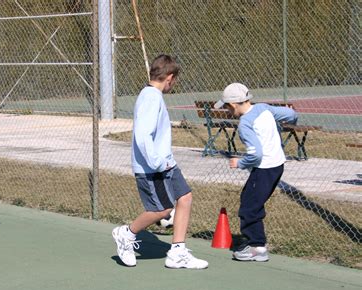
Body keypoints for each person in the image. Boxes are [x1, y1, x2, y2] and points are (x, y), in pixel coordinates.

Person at [112, 55, 208, 269]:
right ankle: (126, 234)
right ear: (170, 78)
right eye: (175, 81)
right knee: (163, 210)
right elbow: (142, 135)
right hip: (153, 167)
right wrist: (156, 162)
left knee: (185, 197)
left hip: (167, 163)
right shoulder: (151, 97)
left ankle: (177, 252)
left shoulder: (153, 95)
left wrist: (165, 161)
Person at [214, 83, 297, 262]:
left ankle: (256, 247)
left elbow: (256, 154)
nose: (227, 111)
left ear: (234, 105)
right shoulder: (263, 108)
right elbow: (290, 114)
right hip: (277, 165)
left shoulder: (245, 124)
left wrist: (240, 163)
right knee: (250, 200)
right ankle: (256, 244)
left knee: (249, 207)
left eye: (227, 107)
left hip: (264, 169)